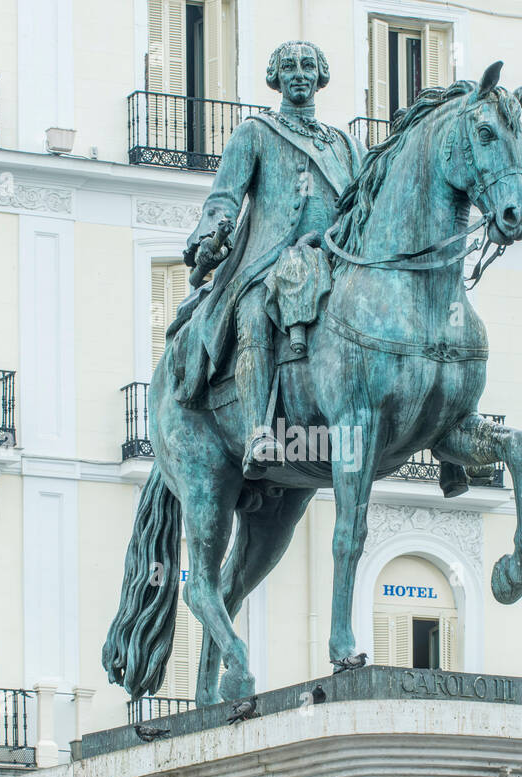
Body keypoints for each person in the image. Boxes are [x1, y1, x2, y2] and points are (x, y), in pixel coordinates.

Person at [170, 40, 362, 479]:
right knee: (254, 311)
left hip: (335, 258)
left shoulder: (347, 146)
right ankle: (259, 429)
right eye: (290, 66)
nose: (299, 73)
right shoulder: (256, 133)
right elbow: (222, 200)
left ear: (320, 75)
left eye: (308, 65)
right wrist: (208, 237)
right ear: (276, 77)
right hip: (269, 262)